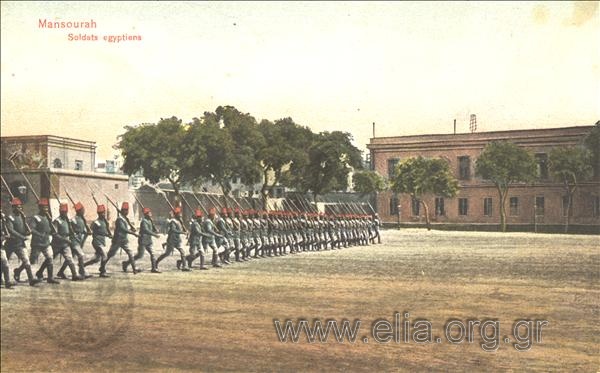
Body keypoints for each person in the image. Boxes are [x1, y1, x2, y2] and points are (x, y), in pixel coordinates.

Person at [22, 198, 60, 284]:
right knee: (32, 260)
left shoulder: (47, 218)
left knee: (50, 258)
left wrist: (52, 227)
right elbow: (32, 229)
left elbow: (50, 229)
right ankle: (19, 271)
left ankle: (50, 278)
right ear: (40, 208)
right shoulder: (36, 218)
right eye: (44, 207)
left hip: (46, 243)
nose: (46, 209)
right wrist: (39, 234)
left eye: (47, 207)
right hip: (37, 243)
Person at [5, 198, 41, 286]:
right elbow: (11, 230)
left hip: (20, 244)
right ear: (13, 208)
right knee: (4, 262)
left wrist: (26, 226)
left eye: (21, 207)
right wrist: (21, 236)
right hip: (10, 244)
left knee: (26, 261)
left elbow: (25, 230)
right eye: (17, 207)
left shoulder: (22, 217)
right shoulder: (10, 218)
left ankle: (31, 279)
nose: (20, 209)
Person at [57, 202, 92, 279]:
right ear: (79, 211)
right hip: (73, 240)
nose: (84, 211)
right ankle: (82, 272)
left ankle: (61, 271)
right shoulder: (73, 220)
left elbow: (84, 230)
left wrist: (87, 232)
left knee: (69, 258)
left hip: (79, 240)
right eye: (82, 210)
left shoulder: (83, 220)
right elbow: (70, 230)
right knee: (80, 255)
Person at [105, 202, 139, 275]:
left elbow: (126, 228)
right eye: (125, 210)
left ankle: (134, 269)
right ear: (122, 211)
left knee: (130, 253)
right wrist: (132, 233)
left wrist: (132, 228)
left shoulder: (125, 219)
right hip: (117, 240)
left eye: (127, 210)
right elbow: (123, 229)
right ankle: (102, 267)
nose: (127, 212)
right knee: (110, 255)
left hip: (124, 240)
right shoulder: (119, 219)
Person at [52, 203, 83, 281]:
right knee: (49, 259)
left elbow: (70, 231)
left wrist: (73, 235)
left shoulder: (67, 221)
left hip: (65, 244)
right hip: (57, 244)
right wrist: (64, 239)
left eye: (65, 212)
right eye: (63, 212)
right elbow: (54, 234)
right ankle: (40, 272)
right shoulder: (57, 221)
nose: (64, 213)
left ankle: (74, 275)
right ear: (60, 212)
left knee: (69, 258)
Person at [127, 207, 160, 273]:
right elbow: (146, 230)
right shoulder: (143, 221)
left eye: (150, 213)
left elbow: (152, 229)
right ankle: (126, 263)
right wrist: (154, 234)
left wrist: (155, 230)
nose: (150, 214)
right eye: (149, 213)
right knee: (140, 255)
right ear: (146, 214)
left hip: (149, 240)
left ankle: (154, 268)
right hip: (143, 240)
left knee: (153, 253)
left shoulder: (150, 221)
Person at [157, 207, 190, 271]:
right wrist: (182, 232)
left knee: (182, 252)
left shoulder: (179, 221)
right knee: (167, 253)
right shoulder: (173, 221)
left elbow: (180, 228)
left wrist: (185, 230)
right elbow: (173, 230)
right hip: (171, 240)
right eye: (179, 214)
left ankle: (184, 266)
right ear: (176, 215)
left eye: (180, 214)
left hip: (177, 240)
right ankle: (156, 262)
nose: (180, 215)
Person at [83, 204, 111, 277]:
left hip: (102, 241)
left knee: (96, 259)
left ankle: (83, 265)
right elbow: (90, 230)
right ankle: (102, 271)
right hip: (97, 242)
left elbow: (104, 232)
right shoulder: (96, 222)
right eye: (101, 213)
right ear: (98, 214)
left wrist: (109, 235)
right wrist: (89, 232)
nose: (103, 214)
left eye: (104, 213)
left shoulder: (104, 222)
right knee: (105, 255)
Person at [1, 209, 14, 288]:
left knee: (5, 263)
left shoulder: (2, 221)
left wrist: (3, 222)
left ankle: (7, 282)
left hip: (1, 247)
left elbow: (5, 232)